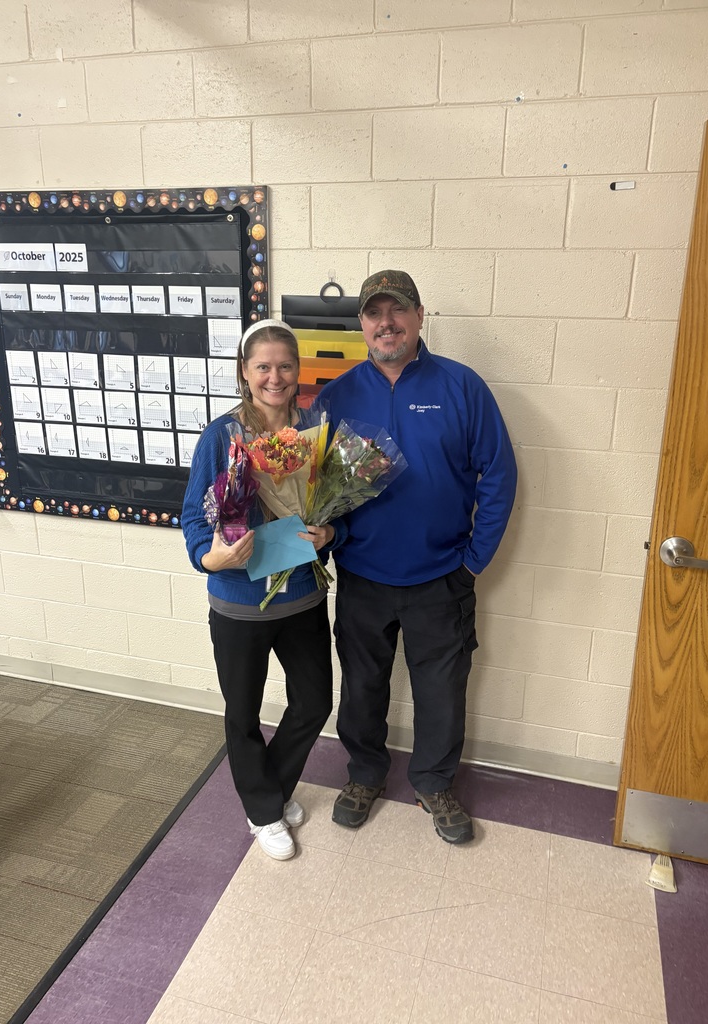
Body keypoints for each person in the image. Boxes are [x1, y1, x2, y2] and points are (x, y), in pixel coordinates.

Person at [319, 270, 517, 844]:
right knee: (361, 686)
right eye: (375, 313)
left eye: (397, 311)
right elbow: (311, 490)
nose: (387, 322)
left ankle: (433, 782)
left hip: (441, 577)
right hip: (362, 574)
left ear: (419, 316)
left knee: (442, 690)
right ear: (361, 324)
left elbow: (499, 476)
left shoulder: (461, 387)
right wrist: (326, 539)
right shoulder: (337, 395)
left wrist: (474, 560)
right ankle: (364, 775)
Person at [181, 320, 342, 861]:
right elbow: (193, 522)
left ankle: (268, 789)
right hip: (238, 603)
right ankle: (264, 811)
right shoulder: (221, 437)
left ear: (299, 371)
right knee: (243, 713)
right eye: (263, 367)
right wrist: (214, 558)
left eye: (285, 365)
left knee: (315, 700)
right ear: (244, 374)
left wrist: (329, 532)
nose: (275, 377)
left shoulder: (316, 429)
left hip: (301, 595)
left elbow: (332, 507)